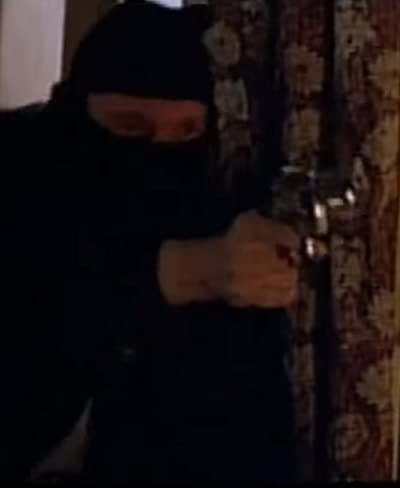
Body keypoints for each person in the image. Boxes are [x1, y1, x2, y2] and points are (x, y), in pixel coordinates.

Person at [0, 2, 300, 483]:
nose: (158, 152)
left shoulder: (210, 214)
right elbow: (47, 283)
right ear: (73, 111)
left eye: (186, 132)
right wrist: (181, 272)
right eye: (130, 127)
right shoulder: (19, 167)